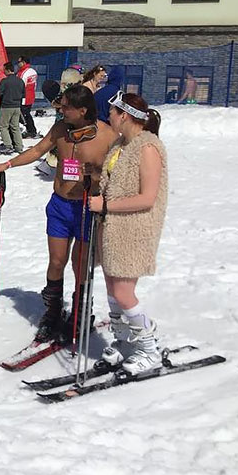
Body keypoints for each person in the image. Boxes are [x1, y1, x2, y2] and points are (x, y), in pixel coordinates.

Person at [0, 85, 118, 342]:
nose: (61, 110)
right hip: (60, 205)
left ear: (82, 110)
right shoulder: (61, 129)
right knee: (57, 261)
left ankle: (81, 312)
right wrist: (8, 163)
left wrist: (95, 174)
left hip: (86, 207)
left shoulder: (107, 135)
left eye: (66, 107)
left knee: (80, 264)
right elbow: (37, 150)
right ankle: (53, 311)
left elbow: (117, 173)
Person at [89, 92, 167, 375]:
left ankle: (148, 347)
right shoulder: (121, 144)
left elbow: (148, 197)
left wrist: (106, 205)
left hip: (134, 229)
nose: (108, 116)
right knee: (113, 289)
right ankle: (123, 340)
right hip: (112, 227)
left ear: (124, 115)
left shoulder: (148, 148)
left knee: (123, 293)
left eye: (112, 112)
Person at [0, 62, 26, 155]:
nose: (3, 72)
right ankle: (19, 146)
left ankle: (8, 146)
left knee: (3, 126)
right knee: (15, 127)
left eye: (4, 70)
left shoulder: (5, 81)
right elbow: (24, 94)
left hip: (6, 106)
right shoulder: (20, 81)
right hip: (17, 106)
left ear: (8, 70)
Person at [16, 55, 39, 138]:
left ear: (24, 62)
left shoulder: (23, 73)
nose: (18, 64)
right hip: (30, 96)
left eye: (19, 62)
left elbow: (20, 86)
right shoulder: (33, 71)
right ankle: (30, 130)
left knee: (23, 114)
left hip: (24, 97)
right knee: (26, 114)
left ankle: (31, 130)